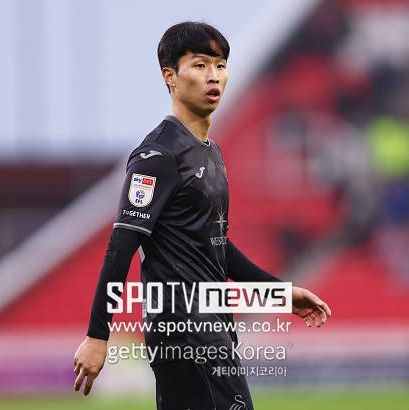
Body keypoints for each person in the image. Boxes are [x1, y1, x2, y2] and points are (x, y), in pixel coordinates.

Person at [73, 21, 332, 409]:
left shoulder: (209, 152)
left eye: (220, 65)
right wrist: (98, 336)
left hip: (206, 326)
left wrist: (278, 294)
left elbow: (216, 246)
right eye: (199, 65)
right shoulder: (157, 155)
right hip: (188, 330)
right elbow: (120, 247)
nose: (213, 76)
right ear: (170, 77)